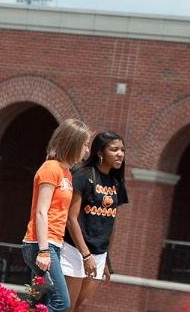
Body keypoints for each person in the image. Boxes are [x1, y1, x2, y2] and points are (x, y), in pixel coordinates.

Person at [22, 118, 94, 312]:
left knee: (41, 303)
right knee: (62, 303)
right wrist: (44, 251)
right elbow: (41, 211)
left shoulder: (67, 174)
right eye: (85, 144)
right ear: (72, 143)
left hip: (54, 244)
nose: (87, 150)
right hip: (40, 244)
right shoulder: (50, 168)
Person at [62, 131, 128, 312]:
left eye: (122, 150)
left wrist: (106, 258)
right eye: (114, 149)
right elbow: (71, 218)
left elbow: (110, 223)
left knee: (81, 306)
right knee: (68, 305)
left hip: (98, 254)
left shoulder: (116, 182)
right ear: (100, 152)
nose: (120, 154)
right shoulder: (83, 175)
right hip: (75, 249)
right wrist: (85, 255)